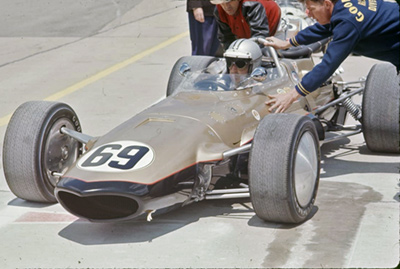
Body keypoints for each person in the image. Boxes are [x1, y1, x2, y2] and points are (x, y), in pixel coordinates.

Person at [263, 0, 400, 113]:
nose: (307, 13)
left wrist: (291, 95)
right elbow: (325, 27)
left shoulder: (348, 22)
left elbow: (327, 65)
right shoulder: (342, 7)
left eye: (311, 8)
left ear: (327, 4)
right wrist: (287, 43)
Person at [210, 0, 281, 50]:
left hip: (274, 27)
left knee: (272, 56)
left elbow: (259, 37)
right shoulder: (219, 10)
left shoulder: (251, 5)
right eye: (222, 3)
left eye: (229, 1)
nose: (226, 6)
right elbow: (226, 38)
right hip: (246, 33)